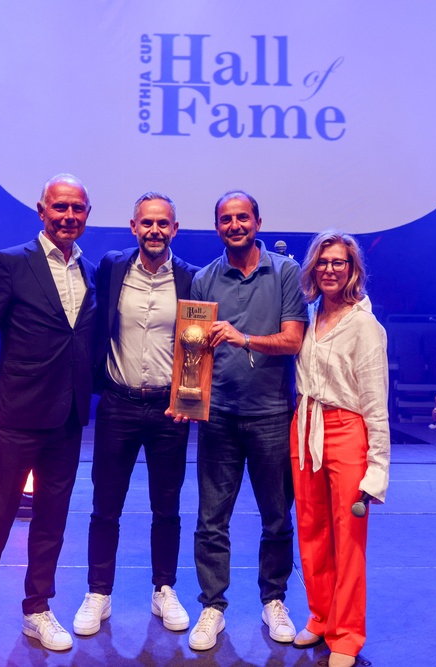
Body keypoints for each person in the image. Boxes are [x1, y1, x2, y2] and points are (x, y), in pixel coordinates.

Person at [0, 174, 96, 663]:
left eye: (77, 208)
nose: (68, 216)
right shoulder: (12, 263)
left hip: (69, 416)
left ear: (86, 214)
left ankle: (37, 608)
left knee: (52, 519)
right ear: (41, 210)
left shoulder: (88, 271)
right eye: (60, 208)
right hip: (17, 413)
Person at [177, 190, 307, 651]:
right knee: (211, 518)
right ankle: (213, 606)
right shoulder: (204, 279)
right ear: (217, 227)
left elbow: (293, 340)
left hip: (272, 413)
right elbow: (192, 352)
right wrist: (186, 400)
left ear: (258, 221)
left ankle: (274, 599)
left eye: (243, 217)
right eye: (226, 219)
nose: (235, 225)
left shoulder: (286, 272)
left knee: (277, 517)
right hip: (218, 417)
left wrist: (243, 338)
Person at [72, 192, 198, 637]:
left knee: (167, 508)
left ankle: (164, 589)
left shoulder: (191, 278)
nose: (155, 231)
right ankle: (98, 593)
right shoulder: (111, 267)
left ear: (175, 229)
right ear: (133, 226)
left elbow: (198, 349)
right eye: (147, 223)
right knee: (105, 506)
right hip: (119, 404)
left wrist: (187, 400)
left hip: (169, 411)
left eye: (163, 223)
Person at [291, 230, 390, 667]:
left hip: (347, 429)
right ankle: (321, 616)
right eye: (324, 262)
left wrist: (377, 468)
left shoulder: (365, 325)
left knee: (348, 538)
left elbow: (376, 403)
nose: (330, 269)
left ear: (353, 270)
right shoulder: (310, 315)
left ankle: (347, 635)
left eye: (340, 263)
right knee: (311, 530)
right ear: (313, 267)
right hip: (304, 424)